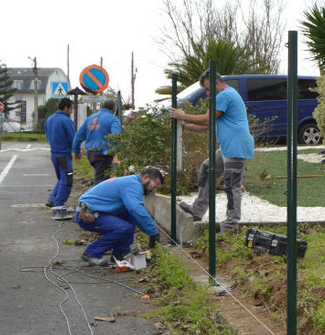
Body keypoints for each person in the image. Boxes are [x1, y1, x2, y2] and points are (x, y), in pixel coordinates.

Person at [168, 73, 254, 233]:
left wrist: (183, 115)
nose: (207, 94)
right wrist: (186, 126)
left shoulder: (224, 95)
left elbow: (207, 119)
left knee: (231, 185)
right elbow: (209, 125)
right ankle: (197, 210)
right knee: (206, 169)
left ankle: (231, 224)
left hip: (236, 146)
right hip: (228, 147)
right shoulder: (227, 95)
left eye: (208, 89)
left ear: (215, 83)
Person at [75, 166, 162, 266]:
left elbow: (135, 213)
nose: (154, 190)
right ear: (146, 178)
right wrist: (153, 232)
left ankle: (120, 253)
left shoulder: (132, 181)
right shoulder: (133, 185)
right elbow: (136, 208)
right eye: (154, 186)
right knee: (124, 228)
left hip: (98, 211)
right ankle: (91, 253)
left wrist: (147, 230)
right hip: (88, 215)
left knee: (130, 216)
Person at [72, 99, 122, 183]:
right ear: (113, 108)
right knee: (101, 180)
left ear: (102, 106)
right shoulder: (113, 119)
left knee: (100, 175)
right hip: (104, 153)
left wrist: (77, 152)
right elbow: (117, 136)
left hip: (90, 153)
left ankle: (102, 193)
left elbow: (77, 137)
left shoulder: (90, 118)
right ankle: (96, 195)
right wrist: (114, 149)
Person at [44, 98, 76, 219]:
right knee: (67, 181)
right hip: (64, 154)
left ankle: (52, 199)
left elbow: (47, 136)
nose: (72, 111)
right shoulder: (66, 120)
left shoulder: (49, 119)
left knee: (62, 178)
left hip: (54, 154)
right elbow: (73, 138)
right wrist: (77, 151)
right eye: (71, 109)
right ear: (66, 107)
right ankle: (58, 206)